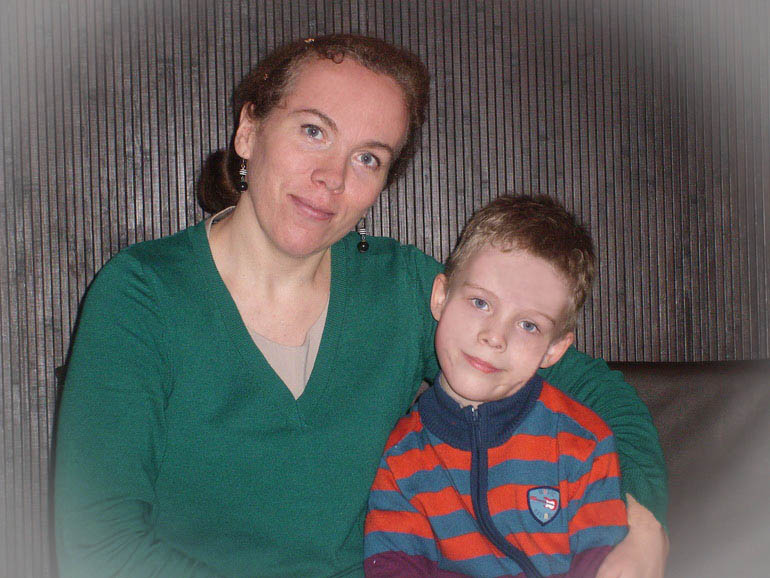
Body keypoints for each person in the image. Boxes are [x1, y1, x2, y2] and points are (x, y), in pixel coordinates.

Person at [54, 34, 667, 577]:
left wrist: (641, 524)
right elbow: (97, 549)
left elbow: (595, 392)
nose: (333, 176)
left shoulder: (401, 289)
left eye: (368, 157)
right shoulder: (143, 294)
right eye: (313, 131)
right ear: (248, 131)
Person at [364, 195, 627, 577]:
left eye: (528, 325)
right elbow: (392, 567)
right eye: (480, 303)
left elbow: (606, 562)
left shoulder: (584, 443)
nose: (494, 337)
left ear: (554, 349)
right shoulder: (401, 458)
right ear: (440, 297)